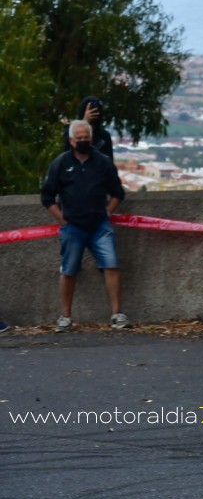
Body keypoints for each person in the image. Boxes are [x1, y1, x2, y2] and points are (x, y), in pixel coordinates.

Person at [41, 119, 128, 331]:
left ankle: (117, 314)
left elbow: (118, 193)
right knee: (69, 270)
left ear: (91, 139)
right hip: (73, 226)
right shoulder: (60, 163)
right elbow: (47, 196)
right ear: (71, 140)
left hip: (99, 225)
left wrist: (107, 212)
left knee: (111, 265)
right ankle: (65, 316)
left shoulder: (103, 162)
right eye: (79, 139)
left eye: (86, 138)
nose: (83, 141)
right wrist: (62, 219)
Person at [63, 96, 115, 164]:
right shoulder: (71, 132)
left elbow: (109, 162)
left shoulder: (104, 136)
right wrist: (84, 122)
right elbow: (67, 151)